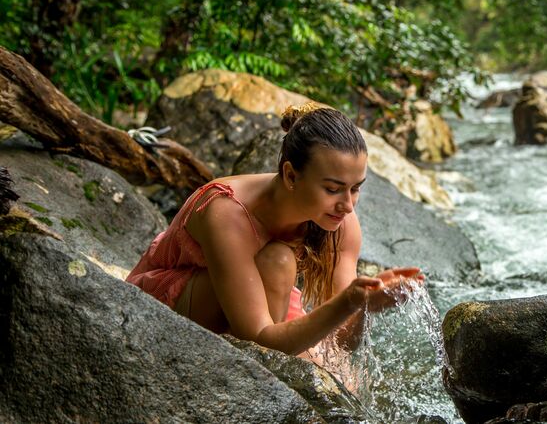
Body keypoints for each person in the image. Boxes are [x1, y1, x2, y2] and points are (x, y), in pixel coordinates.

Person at [126, 101, 424, 358]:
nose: (347, 205)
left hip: (256, 304)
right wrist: (348, 300)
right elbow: (258, 338)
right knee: (279, 261)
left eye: (356, 188)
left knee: (343, 377)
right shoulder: (227, 212)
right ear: (291, 175)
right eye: (333, 189)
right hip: (161, 306)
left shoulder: (341, 222)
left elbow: (341, 343)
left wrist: (362, 306)